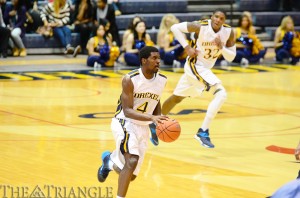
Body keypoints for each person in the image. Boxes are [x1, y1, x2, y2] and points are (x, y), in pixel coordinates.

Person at [157, 10, 236, 148]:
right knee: (221, 94)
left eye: (221, 18)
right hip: (196, 65)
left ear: (224, 21)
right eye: (216, 16)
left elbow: (231, 57)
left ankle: (155, 121)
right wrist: (187, 47)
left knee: (177, 98)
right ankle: (203, 132)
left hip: (204, 69)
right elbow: (175, 28)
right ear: (212, 17)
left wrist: (221, 47)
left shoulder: (229, 32)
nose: (218, 19)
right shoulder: (200, 26)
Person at [97, 46, 168, 198]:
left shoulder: (162, 80)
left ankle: (109, 161)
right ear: (144, 60)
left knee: (132, 175)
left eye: (159, 58)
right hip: (124, 122)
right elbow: (128, 110)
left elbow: (155, 100)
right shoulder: (130, 79)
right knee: (132, 161)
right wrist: (152, 118)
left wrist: (158, 121)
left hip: (143, 126)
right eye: (154, 58)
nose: (158, 61)